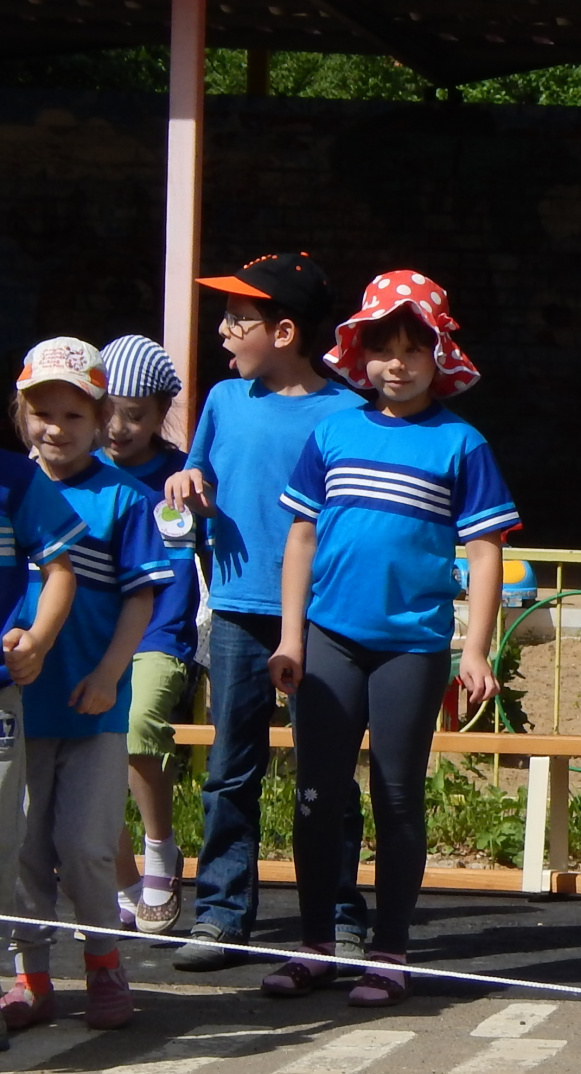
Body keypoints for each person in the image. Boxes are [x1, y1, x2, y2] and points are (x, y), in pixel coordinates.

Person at [263, 271, 514, 1007]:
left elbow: (487, 550)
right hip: (328, 639)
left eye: (414, 349)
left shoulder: (461, 445)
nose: (397, 364)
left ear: (440, 357)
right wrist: (291, 639)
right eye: (384, 348)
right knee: (316, 795)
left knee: (398, 794)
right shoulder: (332, 431)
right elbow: (301, 536)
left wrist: (473, 649)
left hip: (411, 645)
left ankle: (391, 951)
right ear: (359, 353)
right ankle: (315, 945)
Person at [162, 252, 370, 972]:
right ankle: (221, 914)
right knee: (229, 768)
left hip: (320, 621)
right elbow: (200, 484)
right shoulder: (223, 401)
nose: (222, 332)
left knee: (327, 773)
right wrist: (188, 482)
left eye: (236, 319)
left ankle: (340, 917)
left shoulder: (347, 413)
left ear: (284, 331)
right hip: (237, 613)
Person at [4, 339, 174, 1032]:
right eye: (42, 412)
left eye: (74, 414)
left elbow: (142, 597)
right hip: (18, 705)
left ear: (98, 418)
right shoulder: (14, 488)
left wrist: (110, 674)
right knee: (20, 846)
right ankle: (31, 975)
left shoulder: (123, 500)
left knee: (85, 843)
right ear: (21, 414)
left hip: (93, 704)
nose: (56, 427)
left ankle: (104, 961)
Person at [95, 336, 201, 938]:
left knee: (136, 729)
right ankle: (121, 877)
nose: (118, 427)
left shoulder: (181, 475)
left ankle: (160, 847)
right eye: (108, 410)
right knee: (89, 749)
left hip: (160, 628)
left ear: (162, 412)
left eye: (135, 415)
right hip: (85, 634)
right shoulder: (77, 471)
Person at [0, 408, 89, 1053]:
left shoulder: (16, 483)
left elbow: (62, 569)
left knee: (3, 845)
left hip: (0, 695)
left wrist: (38, 638)